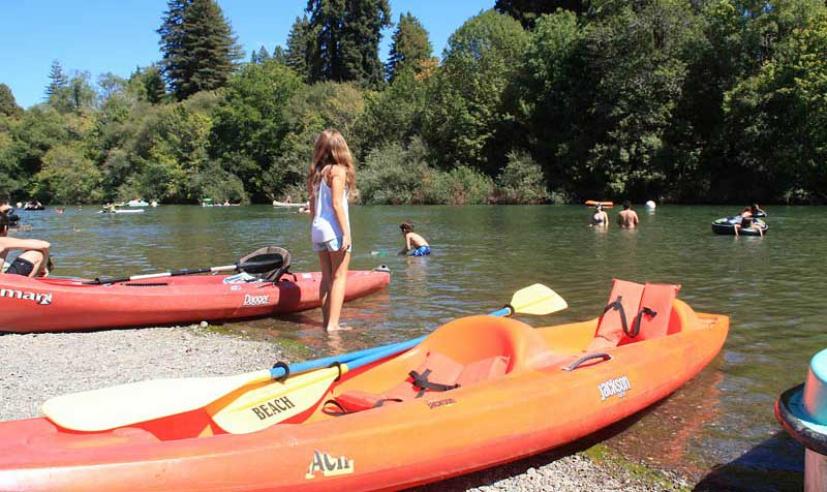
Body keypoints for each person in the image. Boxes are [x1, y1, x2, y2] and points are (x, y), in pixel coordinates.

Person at [308, 129, 355, 332]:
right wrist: (346, 233)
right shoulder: (337, 171)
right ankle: (333, 326)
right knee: (339, 277)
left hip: (317, 229)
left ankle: (327, 322)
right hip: (333, 230)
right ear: (340, 148)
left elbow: (311, 203)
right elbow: (337, 203)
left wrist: (314, 224)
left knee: (326, 277)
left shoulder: (315, 173)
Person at [0, 204, 51, 277]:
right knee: (35, 254)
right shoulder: (2, 241)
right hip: (2, 284)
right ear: (5, 228)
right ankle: (26, 285)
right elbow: (45, 245)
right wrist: (44, 265)